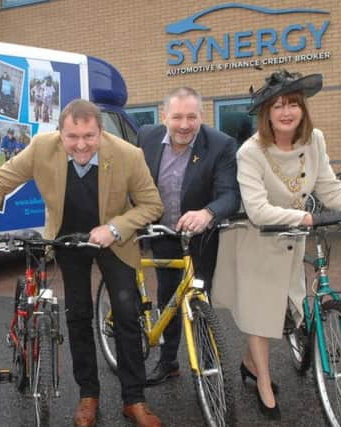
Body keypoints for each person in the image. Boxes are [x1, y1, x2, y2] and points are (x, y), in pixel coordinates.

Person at [0, 99, 164, 427]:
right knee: (78, 316)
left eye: (89, 136)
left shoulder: (129, 155)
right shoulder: (41, 148)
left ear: (100, 132)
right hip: (68, 239)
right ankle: (89, 394)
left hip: (114, 241)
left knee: (128, 314)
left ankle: (134, 399)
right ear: (60, 133)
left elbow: (151, 204)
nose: (81, 144)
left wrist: (115, 228)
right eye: (72, 136)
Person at [212, 69, 341, 420]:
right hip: (257, 242)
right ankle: (263, 380)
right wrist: (305, 218)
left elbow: (328, 187)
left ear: (303, 109)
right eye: (278, 105)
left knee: (283, 314)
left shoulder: (314, 141)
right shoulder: (251, 152)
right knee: (261, 318)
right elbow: (258, 210)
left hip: (291, 241)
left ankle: (249, 363)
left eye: (293, 104)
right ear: (267, 113)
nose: (286, 111)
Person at [137, 87, 240, 385]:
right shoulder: (147, 136)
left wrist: (208, 213)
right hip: (162, 233)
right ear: (164, 115)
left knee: (199, 298)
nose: (184, 124)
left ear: (202, 116)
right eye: (177, 116)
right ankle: (168, 361)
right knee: (167, 296)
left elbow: (230, 195)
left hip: (199, 238)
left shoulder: (221, 144)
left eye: (191, 117)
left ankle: (207, 362)